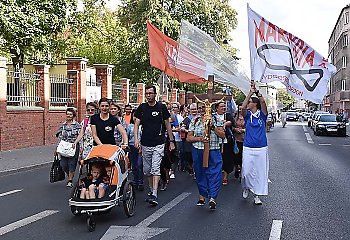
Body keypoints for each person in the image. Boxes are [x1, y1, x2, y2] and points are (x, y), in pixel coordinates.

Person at [134, 85, 175, 207]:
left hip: (159, 142)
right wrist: (136, 139)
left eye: (150, 93)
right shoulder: (142, 108)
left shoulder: (161, 107)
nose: (148, 95)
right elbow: (136, 124)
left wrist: (171, 141)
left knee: (155, 168)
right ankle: (152, 190)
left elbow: (168, 124)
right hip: (146, 143)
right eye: (146, 93)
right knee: (147, 170)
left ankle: (155, 194)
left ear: (155, 94)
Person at [186, 101, 225, 210]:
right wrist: (199, 139)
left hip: (213, 150)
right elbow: (189, 138)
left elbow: (222, 135)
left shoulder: (216, 119)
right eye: (200, 108)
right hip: (198, 150)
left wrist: (213, 127)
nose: (202, 110)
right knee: (200, 173)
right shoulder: (195, 121)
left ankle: (213, 197)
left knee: (215, 173)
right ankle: (203, 195)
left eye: (204, 107)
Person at [241, 80, 269, 205]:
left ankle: (257, 195)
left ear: (255, 104)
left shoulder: (262, 115)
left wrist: (257, 92)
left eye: (251, 102)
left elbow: (263, 102)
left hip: (261, 148)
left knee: (259, 172)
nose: (248, 104)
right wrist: (249, 93)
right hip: (248, 147)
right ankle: (246, 186)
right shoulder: (247, 116)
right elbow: (242, 107)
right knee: (246, 172)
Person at [55, 108, 83, 188]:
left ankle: (70, 180)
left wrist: (79, 145)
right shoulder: (63, 125)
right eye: (67, 114)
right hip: (63, 146)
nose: (69, 115)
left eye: (70, 114)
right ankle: (69, 176)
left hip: (73, 146)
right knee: (63, 164)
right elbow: (60, 137)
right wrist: (57, 148)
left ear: (73, 115)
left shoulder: (77, 125)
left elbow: (80, 136)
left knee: (72, 163)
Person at [214, 101, 235, 186]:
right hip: (215, 141)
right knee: (216, 160)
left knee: (226, 159)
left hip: (226, 141)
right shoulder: (213, 116)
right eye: (221, 106)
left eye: (224, 106)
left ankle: (225, 176)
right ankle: (217, 176)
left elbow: (231, 122)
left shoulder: (227, 115)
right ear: (217, 108)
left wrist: (226, 123)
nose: (223, 108)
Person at [126, 110, 144, 191]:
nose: (135, 118)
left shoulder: (143, 126)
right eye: (134, 116)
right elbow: (127, 136)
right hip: (132, 147)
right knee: (134, 166)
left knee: (139, 165)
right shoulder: (130, 126)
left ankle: (141, 182)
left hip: (141, 147)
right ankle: (135, 181)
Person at [180, 103, 197, 177]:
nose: (194, 111)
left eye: (195, 109)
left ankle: (197, 170)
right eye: (192, 109)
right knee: (189, 155)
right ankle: (190, 167)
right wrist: (188, 131)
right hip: (189, 140)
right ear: (189, 110)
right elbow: (182, 127)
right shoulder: (187, 119)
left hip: (198, 140)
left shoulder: (200, 118)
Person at [232, 104, 245, 179]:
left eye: (242, 109)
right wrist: (235, 129)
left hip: (244, 139)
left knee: (242, 156)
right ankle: (237, 167)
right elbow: (232, 126)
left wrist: (243, 130)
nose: (241, 110)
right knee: (236, 155)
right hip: (236, 139)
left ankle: (241, 170)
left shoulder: (247, 117)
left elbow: (249, 128)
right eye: (239, 109)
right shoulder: (235, 117)